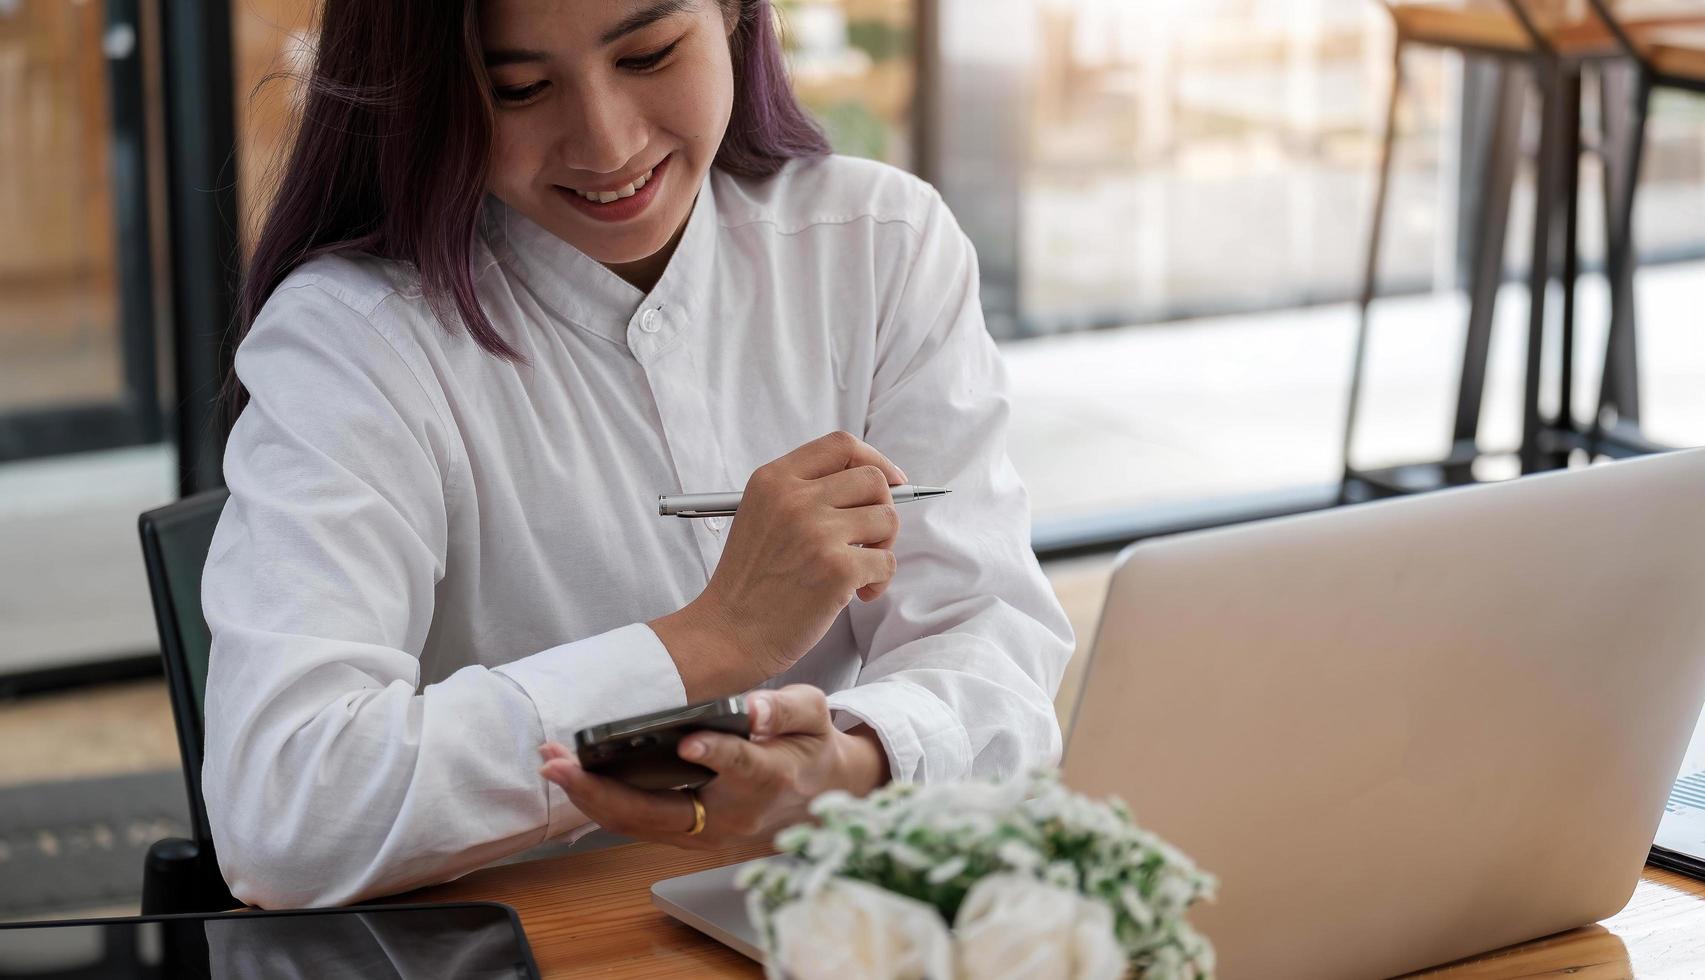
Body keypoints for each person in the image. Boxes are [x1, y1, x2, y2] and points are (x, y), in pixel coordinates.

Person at [202, 0, 1074, 910]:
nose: (607, 144)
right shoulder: (353, 340)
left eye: (650, 55)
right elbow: (284, 813)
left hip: (838, 918)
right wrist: (713, 638)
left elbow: (990, 640)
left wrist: (851, 762)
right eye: (520, 88)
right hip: (533, 943)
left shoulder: (878, 244)